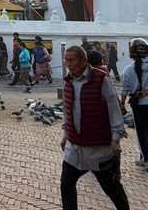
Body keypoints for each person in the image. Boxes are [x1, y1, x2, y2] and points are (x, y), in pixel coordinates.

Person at [60, 45, 129, 210]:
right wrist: (66, 134)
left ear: (84, 60)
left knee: (112, 188)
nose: (69, 64)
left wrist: (116, 139)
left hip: (99, 148)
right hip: (74, 149)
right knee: (66, 185)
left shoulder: (101, 79)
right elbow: (67, 110)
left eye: (72, 60)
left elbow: (114, 109)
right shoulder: (68, 81)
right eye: (66, 61)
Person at [120, 37, 147, 169]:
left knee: (141, 132)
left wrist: (122, 103)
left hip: (139, 105)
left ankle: (145, 158)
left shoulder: (128, 69)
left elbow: (125, 89)